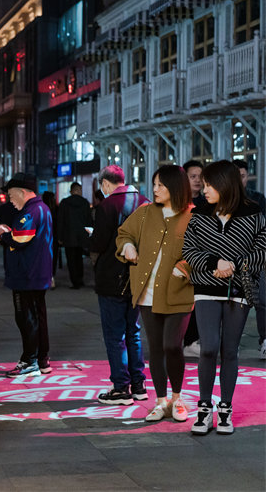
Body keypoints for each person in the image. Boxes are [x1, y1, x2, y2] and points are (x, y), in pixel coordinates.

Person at [182, 160, 266, 435]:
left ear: (225, 185)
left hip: (238, 290)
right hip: (206, 288)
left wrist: (236, 264)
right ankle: (204, 407)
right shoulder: (199, 214)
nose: (204, 189)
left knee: (230, 350)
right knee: (208, 348)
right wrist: (214, 262)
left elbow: (262, 251)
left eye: (209, 184)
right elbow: (189, 250)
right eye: (203, 184)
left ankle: (225, 408)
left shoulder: (253, 214)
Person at [116, 165, 194, 423]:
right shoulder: (145, 212)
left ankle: (177, 398)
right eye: (155, 184)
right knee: (156, 349)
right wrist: (127, 245)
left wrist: (184, 268)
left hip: (178, 293)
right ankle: (161, 402)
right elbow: (124, 233)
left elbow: (203, 250)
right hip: (146, 293)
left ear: (175, 187)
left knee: (172, 345)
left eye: (161, 185)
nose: (155, 189)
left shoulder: (193, 216)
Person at [89, 165, 149, 405]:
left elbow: (99, 243)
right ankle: (138, 384)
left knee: (115, 335)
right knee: (133, 331)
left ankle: (120, 387)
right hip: (137, 276)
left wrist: (91, 236)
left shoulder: (107, 206)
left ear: (105, 184)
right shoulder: (145, 202)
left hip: (111, 278)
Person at [0, 173, 53, 377]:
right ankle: (41, 359)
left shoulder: (31, 211)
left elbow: (21, 239)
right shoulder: (42, 208)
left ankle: (30, 360)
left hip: (27, 273)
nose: (10, 200)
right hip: (37, 272)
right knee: (37, 315)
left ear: (22, 192)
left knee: (26, 317)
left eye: (11, 195)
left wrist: (2, 234)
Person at [233, 159, 266, 360]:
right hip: (232, 259)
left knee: (262, 299)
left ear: (247, 177)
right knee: (233, 300)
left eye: (243, 176)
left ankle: (264, 341)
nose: (239, 180)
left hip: (257, 257)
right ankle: (231, 343)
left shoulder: (258, 199)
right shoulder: (223, 201)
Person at [181, 160, 207, 357]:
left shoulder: (208, 202)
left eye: (200, 176)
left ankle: (193, 341)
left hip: (203, 261)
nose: (197, 180)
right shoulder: (178, 203)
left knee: (200, 302)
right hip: (183, 259)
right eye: (193, 176)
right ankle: (186, 341)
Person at [57, 182, 92, 289]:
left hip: (69, 236)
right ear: (79, 190)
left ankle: (75, 281)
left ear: (71, 191)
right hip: (82, 236)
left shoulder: (64, 203)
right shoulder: (85, 203)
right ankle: (80, 279)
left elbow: (60, 221)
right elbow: (89, 221)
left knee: (71, 260)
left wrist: (59, 237)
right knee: (79, 259)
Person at [41, 191, 59, 289]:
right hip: (53, 238)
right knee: (53, 259)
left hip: (42, 239)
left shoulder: (41, 209)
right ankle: (51, 278)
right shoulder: (56, 210)